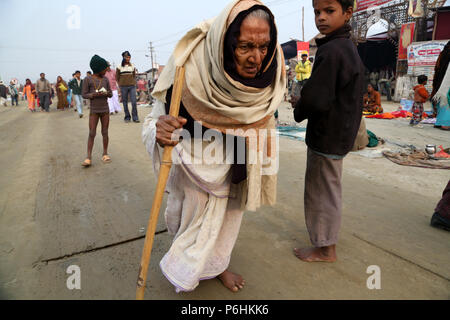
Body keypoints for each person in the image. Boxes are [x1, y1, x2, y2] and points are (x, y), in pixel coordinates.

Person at [142, 0, 285, 292]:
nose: (256, 58)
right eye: (244, 46)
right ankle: (185, 267)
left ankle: (217, 265)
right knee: (191, 209)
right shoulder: (190, 66)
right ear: (226, 41)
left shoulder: (273, 68)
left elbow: (265, 116)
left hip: (240, 150)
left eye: (263, 47)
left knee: (229, 214)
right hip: (195, 149)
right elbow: (155, 119)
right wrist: (161, 129)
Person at [292, 0, 365, 262]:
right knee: (329, 187)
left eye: (329, 11)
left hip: (328, 135)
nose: (321, 17)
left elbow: (317, 98)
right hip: (338, 133)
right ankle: (326, 243)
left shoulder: (333, 50)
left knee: (321, 191)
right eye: (317, 12)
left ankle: (325, 248)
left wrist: (300, 105)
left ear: (347, 13)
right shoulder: (344, 46)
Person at [81, 55, 113, 167]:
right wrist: (94, 94)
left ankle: (105, 153)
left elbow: (111, 93)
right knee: (92, 133)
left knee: (105, 132)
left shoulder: (105, 79)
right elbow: (84, 94)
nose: (106, 71)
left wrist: (106, 93)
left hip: (105, 109)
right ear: (98, 68)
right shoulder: (87, 79)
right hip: (94, 110)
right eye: (104, 69)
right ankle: (88, 157)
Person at [431, 41, 450, 130]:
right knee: (446, 101)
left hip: (439, 81)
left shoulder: (442, 54)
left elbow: (437, 68)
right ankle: (445, 124)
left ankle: (439, 122)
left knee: (441, 100)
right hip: (447, 82)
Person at [116, 51, 139, 123]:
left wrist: (135, 84)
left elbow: (134, 75)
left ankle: (135, 117)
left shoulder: (132, 65)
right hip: (123, 87)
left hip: (132, 86)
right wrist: (119, 87)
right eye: (126, 57)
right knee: (125, 102)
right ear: (123, 57)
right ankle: (127, 117)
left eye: (129, 57)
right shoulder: (119, 66)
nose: (128, 58)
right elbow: (117, 77)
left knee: (134, 102)